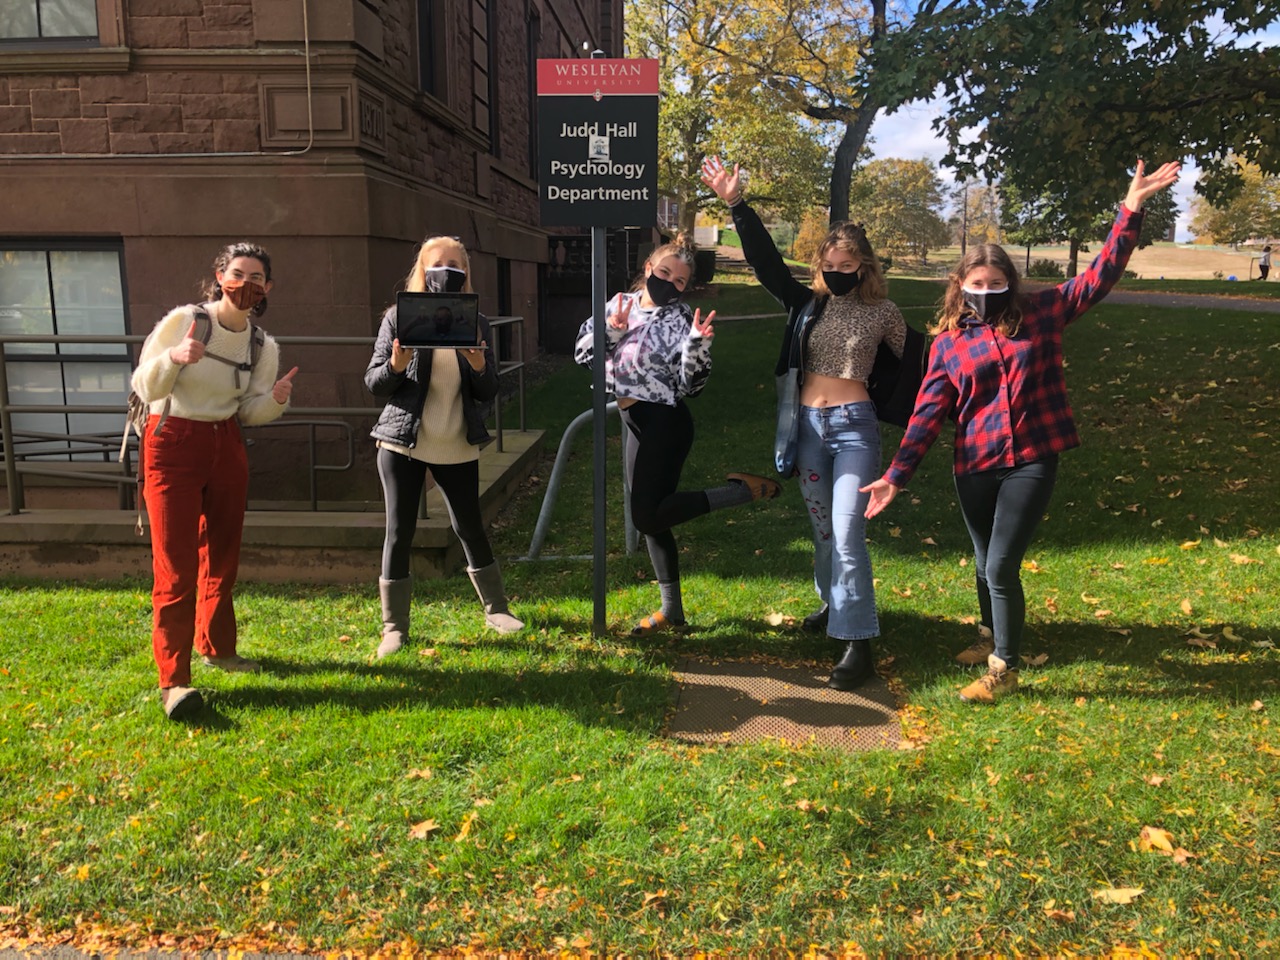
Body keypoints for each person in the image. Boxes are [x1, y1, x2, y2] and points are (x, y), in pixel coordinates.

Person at [861, 160, 1181, 703]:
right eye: (977, 283)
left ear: (1009, 282)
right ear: (960, 286)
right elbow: (928, 413)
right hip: (974, 465)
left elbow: (1100, 274)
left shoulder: (1044, 312)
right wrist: (896, 475)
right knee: (985, 561)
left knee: (1003, 563)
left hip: (1033, 457)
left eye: (997, 281)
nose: (987, 289)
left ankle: (1003, 669)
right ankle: (990, 632)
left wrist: (1130, 210)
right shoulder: (947, 344)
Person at [701, 155, 919, 691]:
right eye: (831, 267)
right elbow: (767, 266)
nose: (839, 275)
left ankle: (858, 641)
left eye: (849, 268)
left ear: (865, 267)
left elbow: (926, 362)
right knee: (824, 533)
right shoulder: (806, 304)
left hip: (855, 428)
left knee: (848, 532)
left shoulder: (884, 312)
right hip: (808, 431)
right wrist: (736, 204)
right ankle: (833, 606)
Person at [574, 233, 782, 636]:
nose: (670, 283)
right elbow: (584, 356)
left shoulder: (681, 319)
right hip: (633, 421)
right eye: (664, 272)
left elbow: (692, 386)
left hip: (666, 422)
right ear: (648, 268)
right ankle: (674, 613)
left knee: (647, 515)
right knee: (652, 519)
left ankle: (741, 492)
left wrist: (697, 346)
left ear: (687, 288)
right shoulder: (619, 305)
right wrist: (613, 331)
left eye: (681, 281)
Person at [130, 242, 298, 721]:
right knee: (176, 565)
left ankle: (217, 648)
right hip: (172, 439)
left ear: (268, 287)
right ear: (220, 275)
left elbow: (251, 409)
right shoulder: (185, 320)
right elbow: (145, 384)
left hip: (226, 442)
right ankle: (175, 682)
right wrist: (175, 359)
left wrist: (277, 398)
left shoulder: (262, 344)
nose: (246, 284)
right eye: (238, 273)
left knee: (222, 555)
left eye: (257, 277)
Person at [365, 235, 522, 658]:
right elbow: (375, 382)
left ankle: (497, 610)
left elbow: (489, 389)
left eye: (455, 265)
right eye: (438, 263)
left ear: (465, 273)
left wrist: (477, 364)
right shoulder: (399, 318)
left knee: (469, 525)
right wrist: (397, 365)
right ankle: (394, 628)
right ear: (422, 269)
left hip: (455, 441)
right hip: (403, 443)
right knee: (399, 531)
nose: (446, 271)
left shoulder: (476, 322)